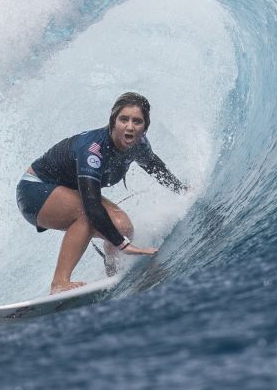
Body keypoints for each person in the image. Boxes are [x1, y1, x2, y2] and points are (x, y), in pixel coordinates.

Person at [16, 92, 188, 293]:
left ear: (145, 127)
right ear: (113, 121)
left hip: (67, 191)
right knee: (87, 216)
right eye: (124, 119)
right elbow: (91, 205)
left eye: (137, 121)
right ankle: (59, 282)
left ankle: (112, 270)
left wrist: (182, 190)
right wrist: (124, 247)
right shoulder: (94, 149)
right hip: (35, 190)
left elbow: (154, 166)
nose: (130, 127)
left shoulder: (138, 145)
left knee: (123, 228)